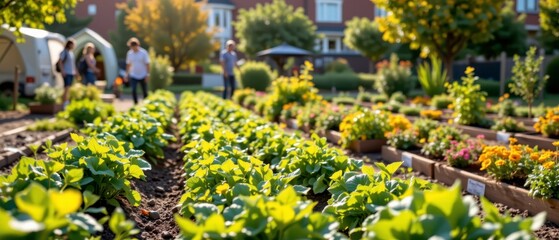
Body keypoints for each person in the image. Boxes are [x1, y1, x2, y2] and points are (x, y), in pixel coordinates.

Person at [125, 37, 150, 104]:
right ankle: (135, 103)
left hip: (143, 74)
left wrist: (147, 75)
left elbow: (147, 64)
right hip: (133, 75)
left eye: (134, 47)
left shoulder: (143, 53)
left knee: (145, 91)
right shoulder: (129, 54)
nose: (133, 48)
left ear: (137, 45)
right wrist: (126, 74)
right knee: (133, 90)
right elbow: (128, 65)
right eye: (131, 47)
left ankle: (146, 104)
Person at [58, 39, 76, 108]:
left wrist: (75, 72)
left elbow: (73, 64)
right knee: (66, 87)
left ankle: (65, 101)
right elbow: (60, 62)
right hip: (66, 72)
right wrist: (62, 71)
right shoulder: (64, 52)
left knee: (68, 88)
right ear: (69, 44)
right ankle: (64, 103)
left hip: (71, 73)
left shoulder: (71, 53)